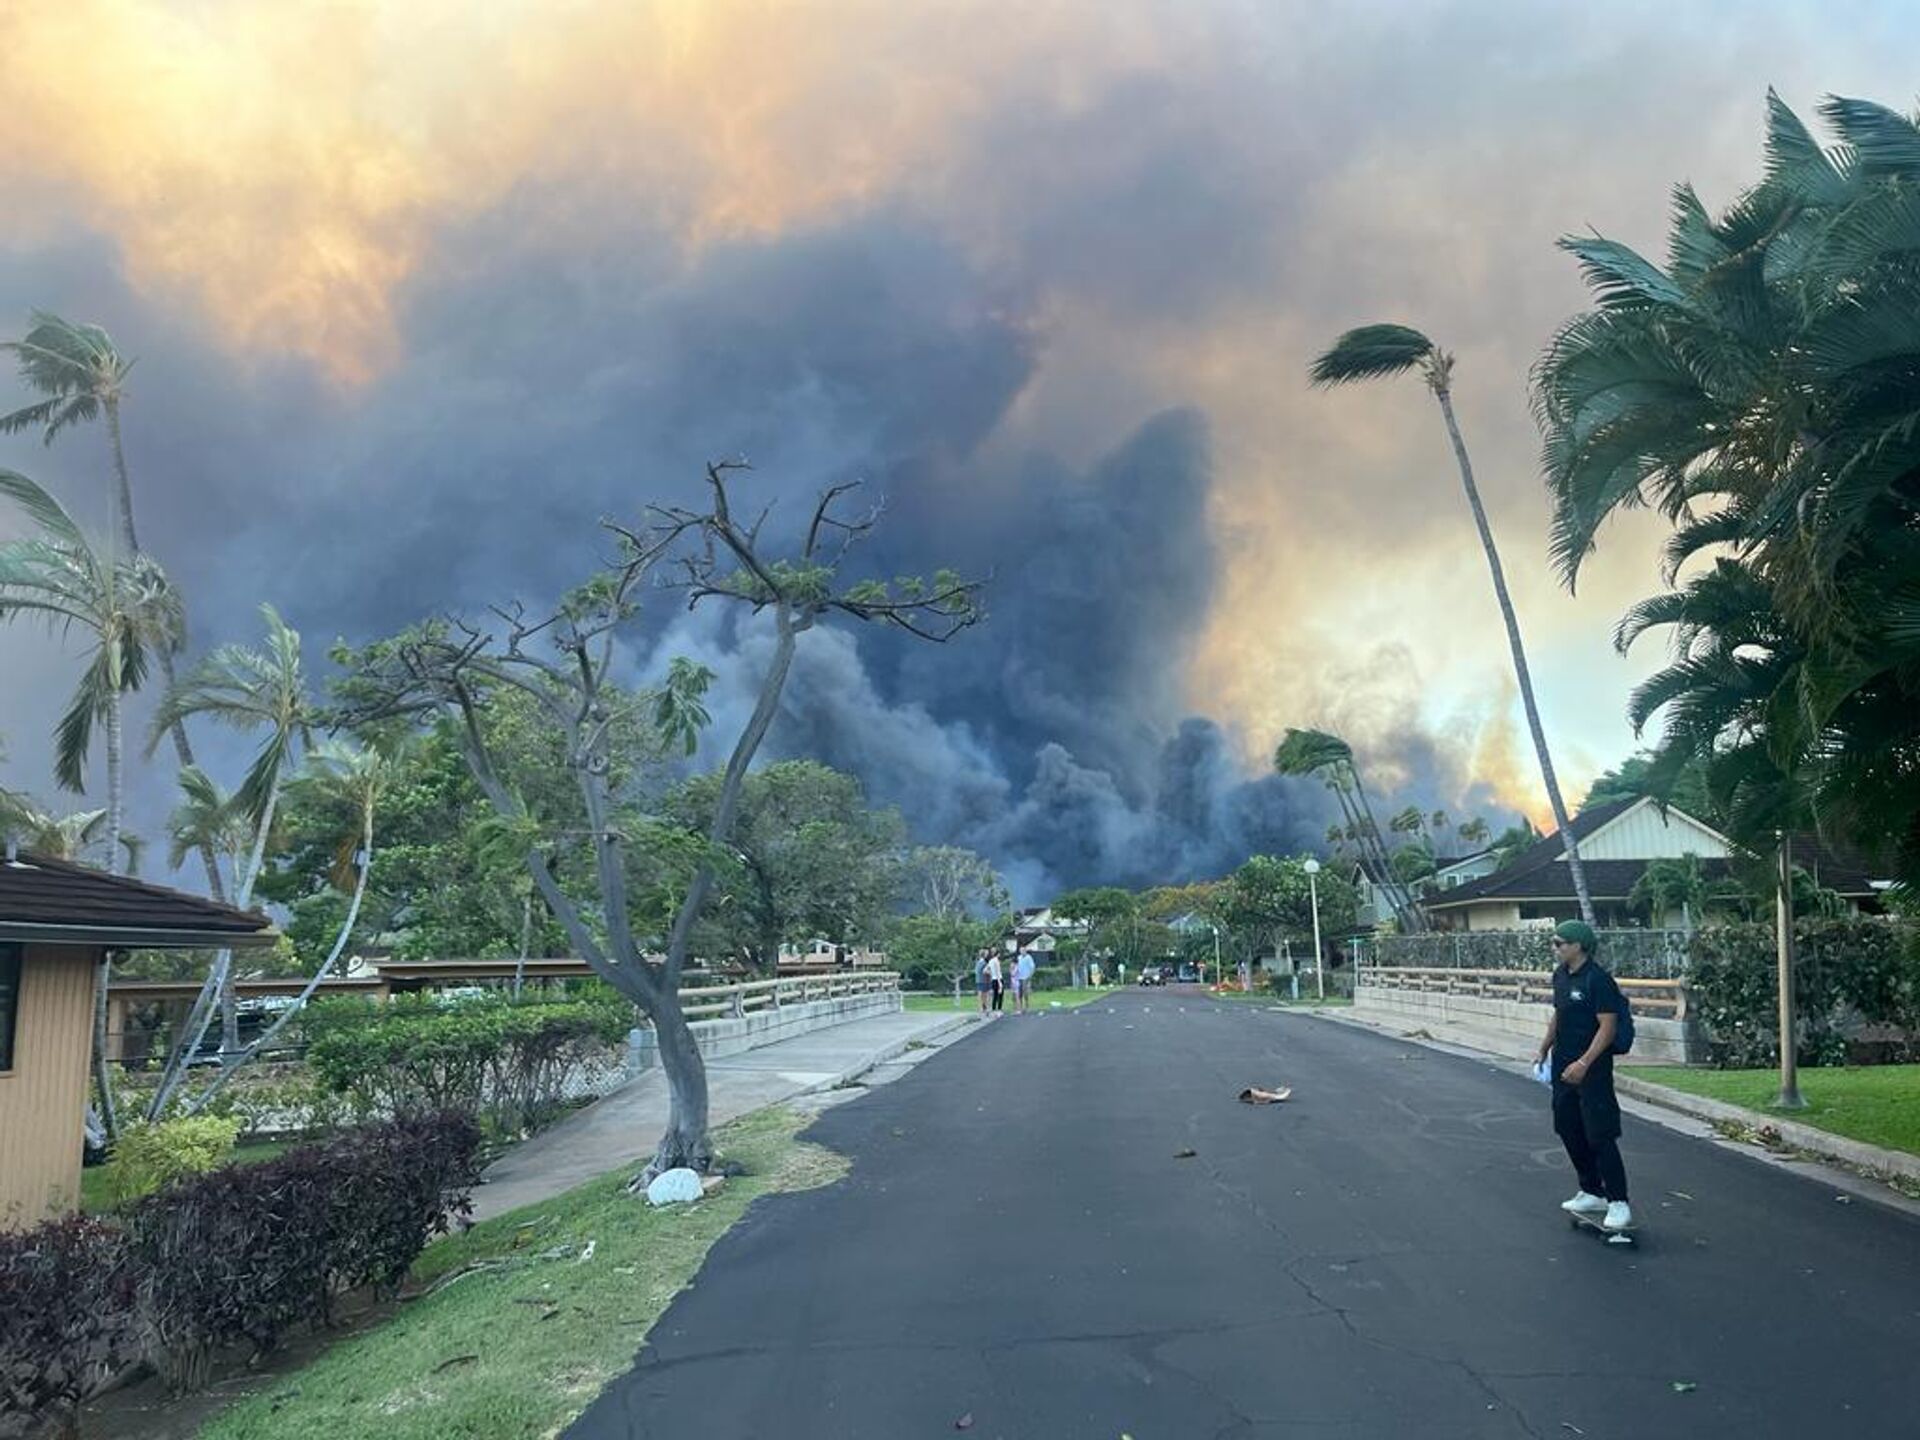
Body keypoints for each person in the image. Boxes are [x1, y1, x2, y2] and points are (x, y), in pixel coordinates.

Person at [1536, 919, 1632, 1231]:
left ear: (1578, 946)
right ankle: (1592, 1190)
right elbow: (1559, 1015)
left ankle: (1618, 1202)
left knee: (1599, 1133)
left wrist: (1584, 1063)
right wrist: (1544, 1047)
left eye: (1559, 942)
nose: (1555, 947)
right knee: (1567, 1126)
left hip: (1592, 1069)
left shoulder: (1598, 980)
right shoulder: (1561, 976)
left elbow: (1608, 1027)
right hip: (1562, 1064)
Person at [974, 950, 991, 1014]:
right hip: (984, 980)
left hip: (978, 980)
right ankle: (984, 1008)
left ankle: (981, 1007)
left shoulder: (978, 962)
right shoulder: (984, 963)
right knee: (984, 995)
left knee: (980, 994)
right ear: (984, 955)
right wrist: (991, 973)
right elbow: (985, 971)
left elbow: (976, 971)